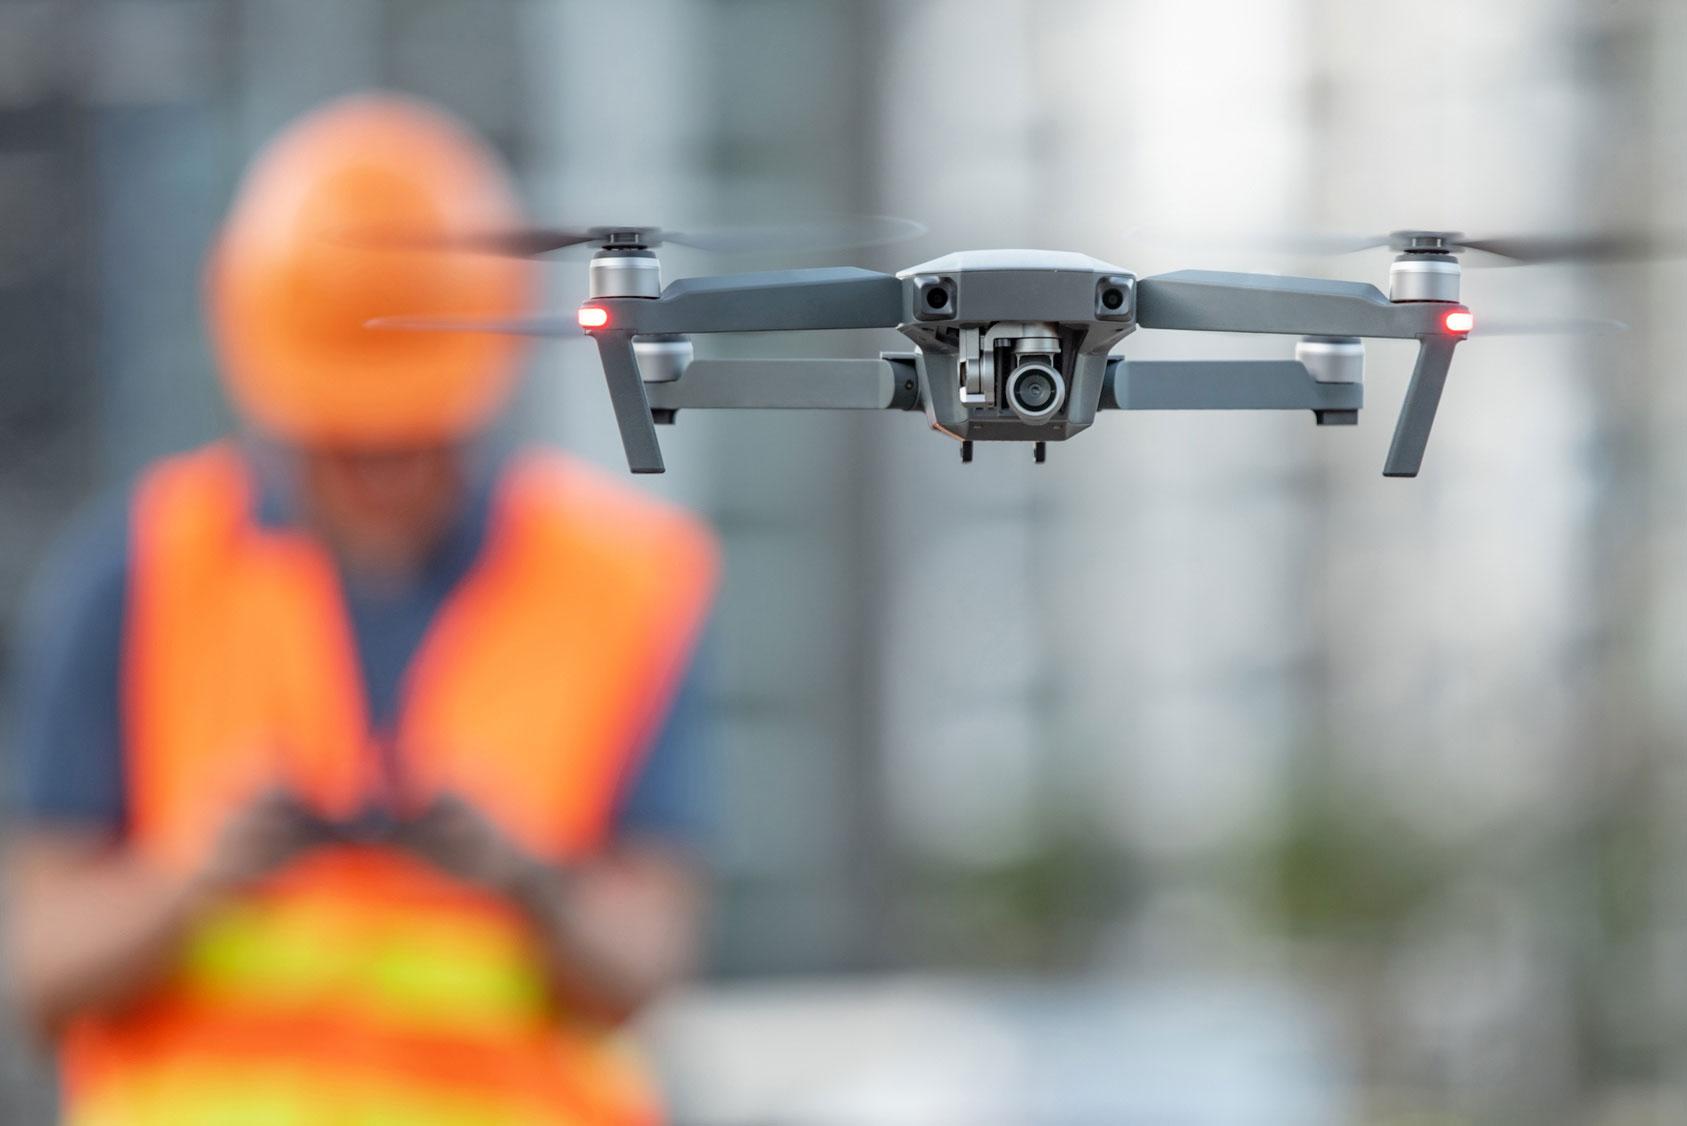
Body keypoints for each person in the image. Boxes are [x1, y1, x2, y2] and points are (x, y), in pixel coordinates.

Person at [3, 93, 718, 1126]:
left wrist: (529, 881)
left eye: (411, 434)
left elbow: (648, 958)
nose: (379, 467)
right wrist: (190, 876)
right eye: (344, 438)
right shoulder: (133, 574)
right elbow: (39, 968)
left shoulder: (622, 584)